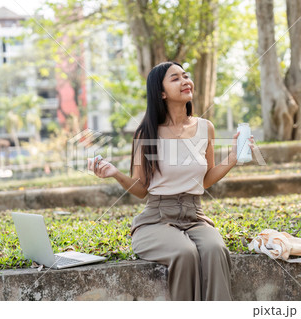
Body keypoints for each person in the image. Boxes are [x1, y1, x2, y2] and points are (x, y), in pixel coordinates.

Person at [88, 61, 254, 301]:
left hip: (194, 216)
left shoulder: (205, 128)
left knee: (215, 249)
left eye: (185, 76)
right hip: (156, 220)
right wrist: (115, 173)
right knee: (184, 252)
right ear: (162, 93)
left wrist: (232, 157)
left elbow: (205, 180)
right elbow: (141, 189)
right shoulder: (147, 133)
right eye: (175, 78)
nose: (185, 81)